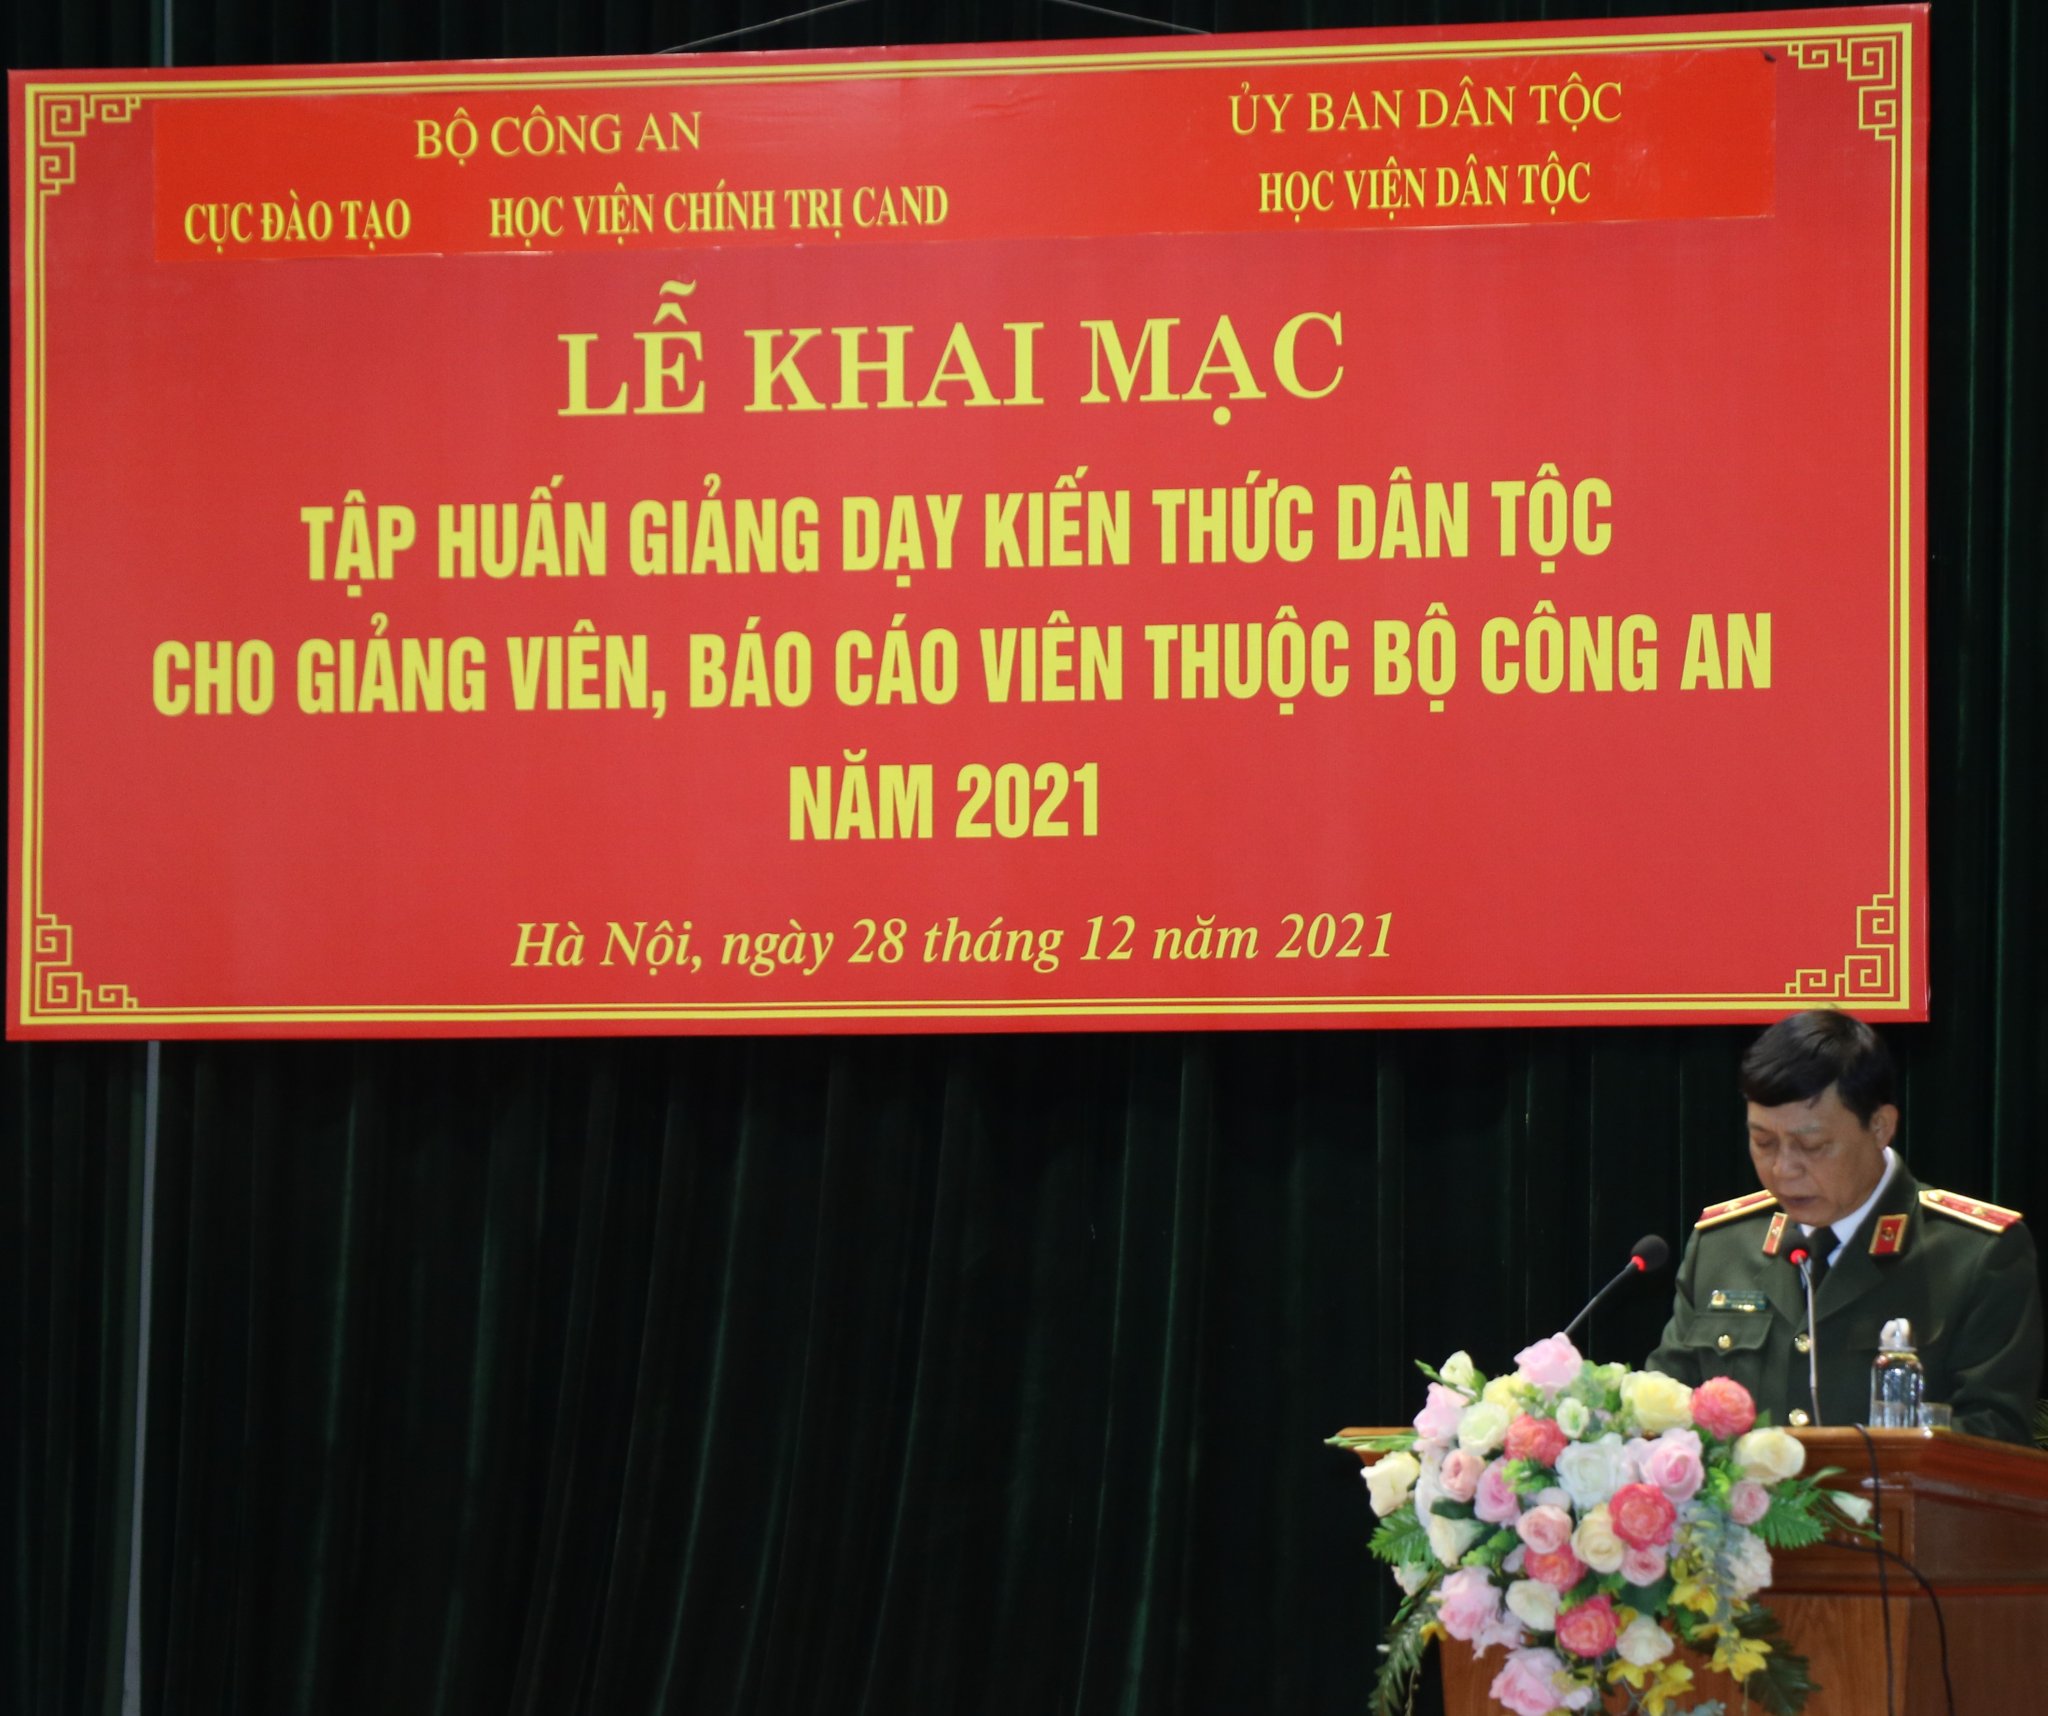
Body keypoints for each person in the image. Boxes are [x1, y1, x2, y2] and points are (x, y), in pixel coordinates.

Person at [1646, 1009, 2043, 1443]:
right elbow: (1664, 1411)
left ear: (1880, 1127)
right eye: (1763, 1142)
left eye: (1812, 1145)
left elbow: (1995, 1436)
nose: (1783, 1168)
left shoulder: (1976, 1255)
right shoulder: (1722, 1246)